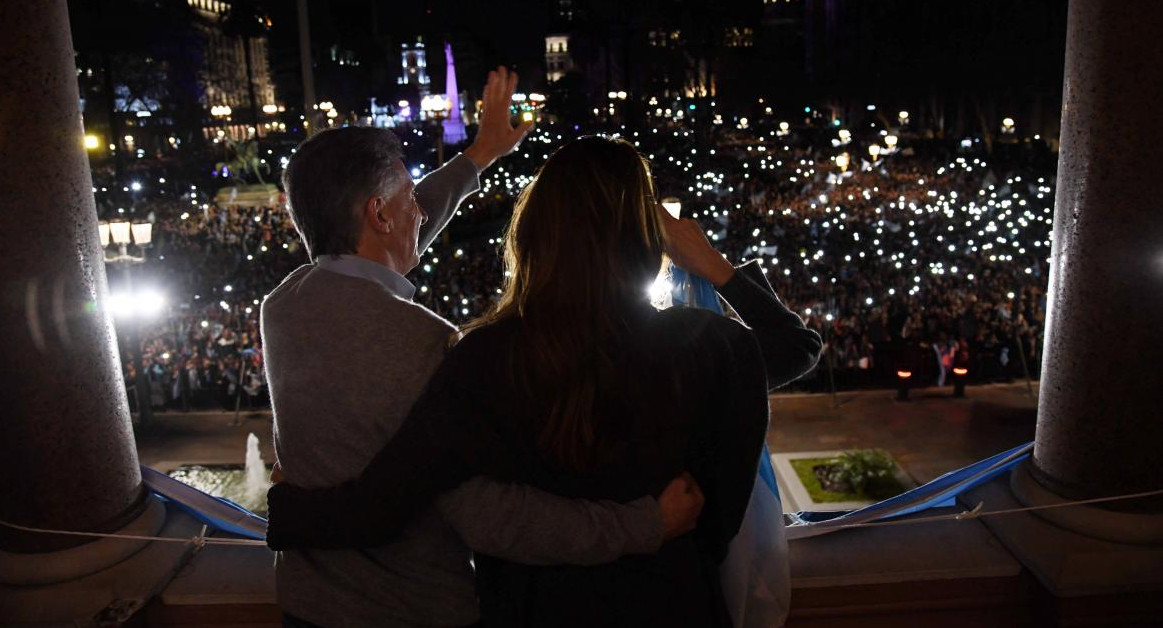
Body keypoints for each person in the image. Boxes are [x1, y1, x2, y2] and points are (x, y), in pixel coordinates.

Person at [266, 136, 823, 626]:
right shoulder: (705, 347)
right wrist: (713, 265)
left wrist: (289, 510)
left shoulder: (485, 358)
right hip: (674, 602)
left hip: (534, 610)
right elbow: (795, 347)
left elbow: (391, 494)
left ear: (534, 231)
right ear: (645, 237)